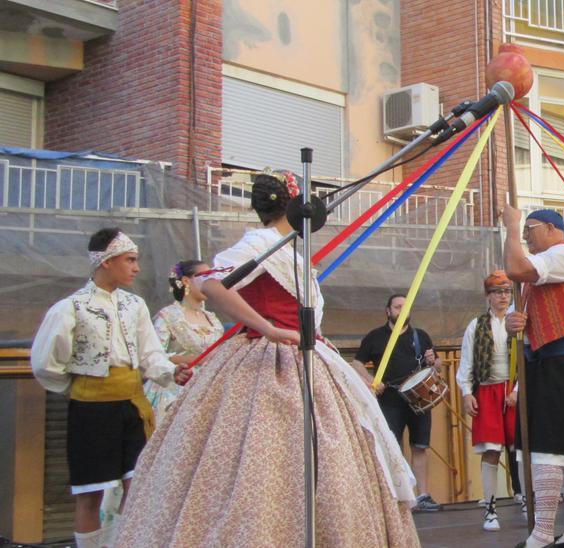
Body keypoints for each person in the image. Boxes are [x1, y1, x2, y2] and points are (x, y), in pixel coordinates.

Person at [116, 172, 419, 546]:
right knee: (264, 463)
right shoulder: (259, 243)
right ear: (293, 207)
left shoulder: (286, 248)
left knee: (326, 459)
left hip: (309, 361)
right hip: (270, 362)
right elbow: (213, 284)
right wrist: (268, 328)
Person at [32, 228, 186, 548]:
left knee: (138, 487)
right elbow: (46, 363)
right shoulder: (71, 307)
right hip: (91, 410)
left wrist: (171, 372)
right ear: (106, 262)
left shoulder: (135, 305)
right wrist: (84, 387)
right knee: (90, 493)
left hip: (132, 404)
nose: (136, 267)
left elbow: (151, 353)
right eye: (130, 260)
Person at [503, 206, 564, 548]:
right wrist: (517, 324)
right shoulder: (546, 267)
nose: (526, 236)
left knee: (549, 448)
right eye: (524, 230)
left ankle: (542, 534)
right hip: (547, 363)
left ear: (549, 228)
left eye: (530, 229)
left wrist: (511, 227)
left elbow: (515, 267)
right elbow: (534, 318)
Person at [352, 293, 442, 513]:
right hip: (390, 400)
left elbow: (436, 363)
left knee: (420, 446)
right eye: (397, 306)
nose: (402, 310)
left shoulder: (420, 336)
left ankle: (422, 495)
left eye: (405, 306)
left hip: (418, 399)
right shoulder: (375, 337)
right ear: (388, 310)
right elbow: (356, 363)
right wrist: (371, 381)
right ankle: (402, 497)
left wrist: (434, 362)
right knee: (393, 447)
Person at [456, 270, 517, 530]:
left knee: (520, 449)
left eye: (507, 291)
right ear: (488, 296)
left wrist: (518, 390)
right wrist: (467, 392)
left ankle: (526, 499)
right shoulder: (476, 325)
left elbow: (527, 359)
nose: (503, 297)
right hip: (488, 391)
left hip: (512, 390)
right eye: (498, 292)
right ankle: (490, 509)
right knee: (491, 451)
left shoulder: (518, 321)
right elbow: (467, 362)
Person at [145, 260, 224, 425]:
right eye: (204, 276)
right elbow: (154, 355)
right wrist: (193, 359)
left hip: (210, 389)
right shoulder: (167, 316)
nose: (209, 281)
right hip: (175, 389)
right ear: (186, 281)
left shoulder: (213, 319)